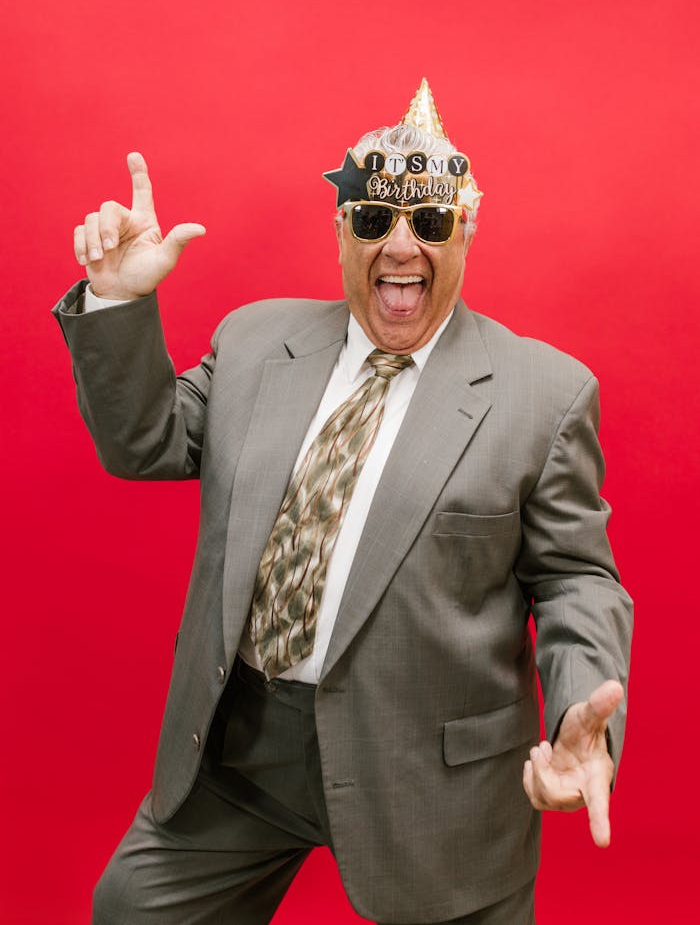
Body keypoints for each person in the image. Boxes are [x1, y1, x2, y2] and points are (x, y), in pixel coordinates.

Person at [53, 79, 633, 925]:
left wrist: (584, 712)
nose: (401, 245)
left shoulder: (544, 395)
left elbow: (577, 578)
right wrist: (120, 298)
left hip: (430, 773)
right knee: (131, 911)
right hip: (242, 751)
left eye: (429, 221)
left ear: (465, 230)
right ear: (340, 231)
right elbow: (145, 442)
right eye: (373, 219)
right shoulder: (256, 341)